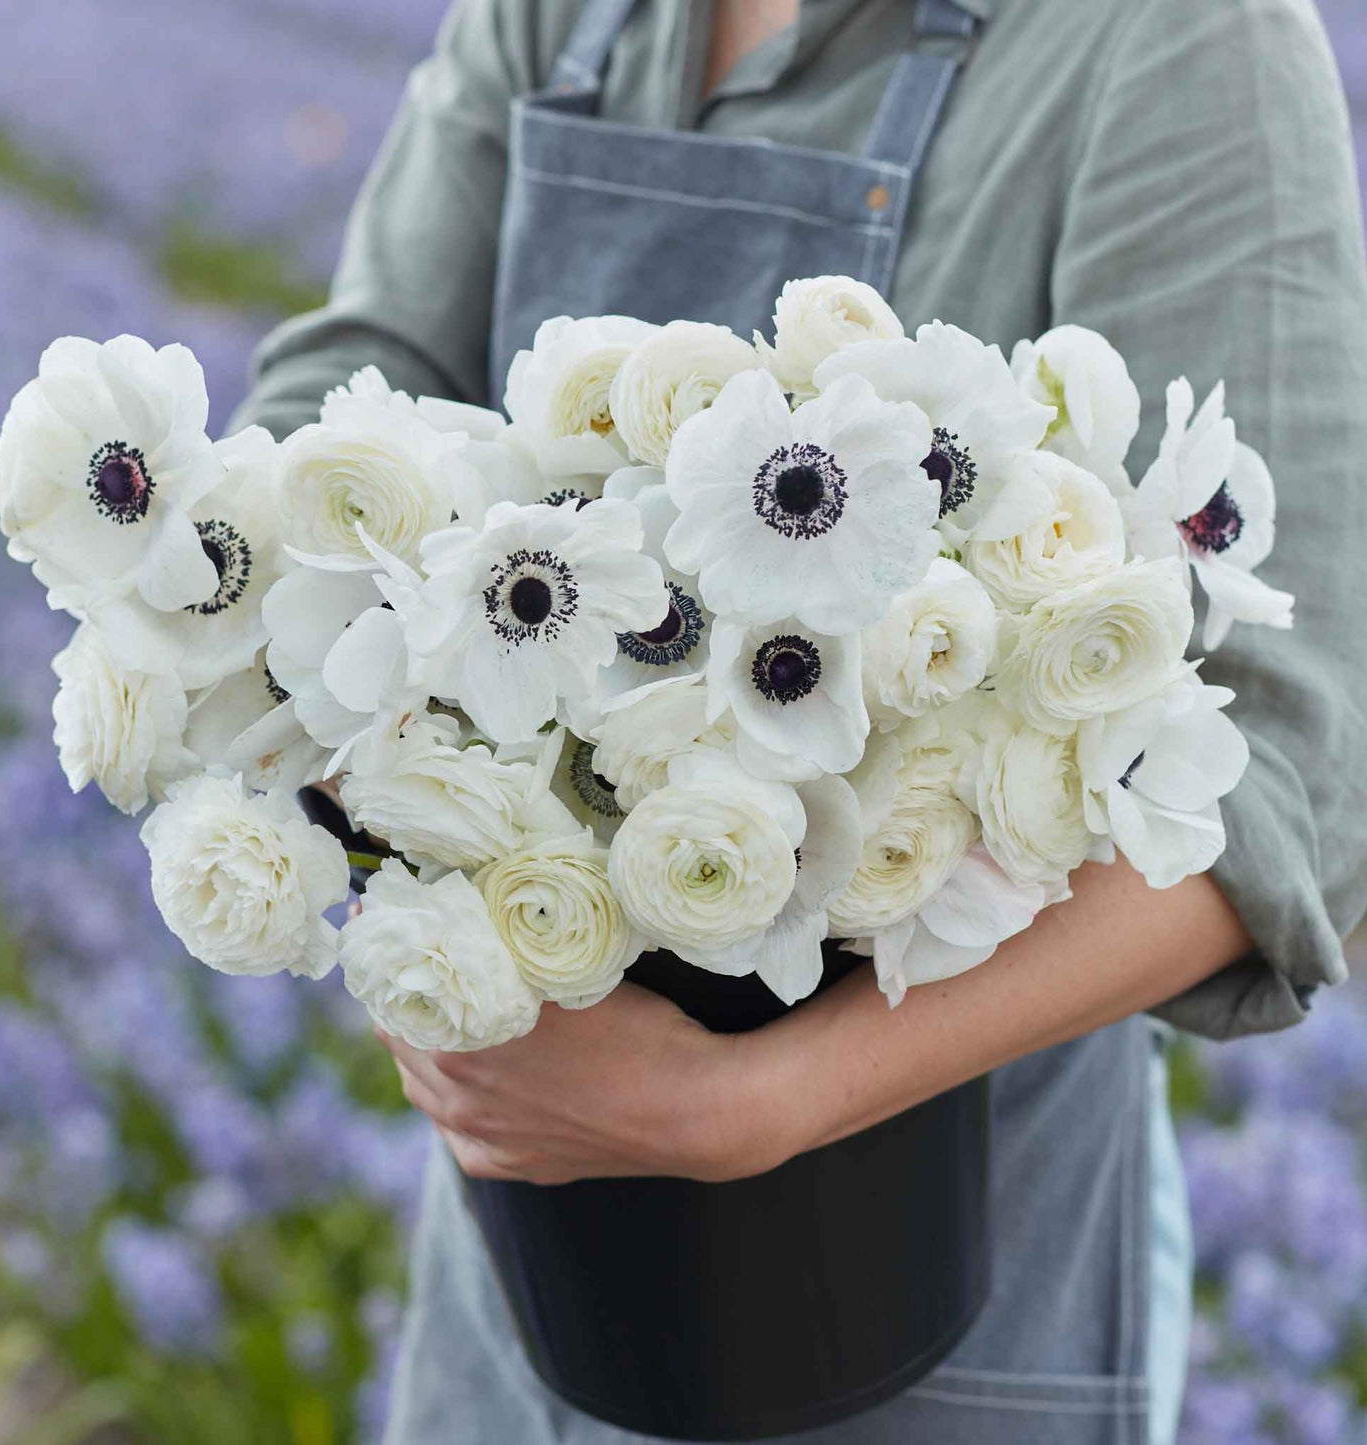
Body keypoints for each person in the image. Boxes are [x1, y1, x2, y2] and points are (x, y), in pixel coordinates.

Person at [230, 1, 1367, 1440]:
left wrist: (746, 1101)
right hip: (516, 1240)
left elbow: (1299, 767)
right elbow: (345, 395)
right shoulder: (555, 16)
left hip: (935, 1261)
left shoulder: (1171, 36)